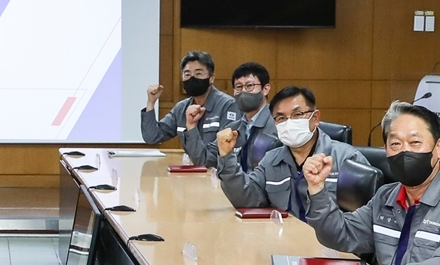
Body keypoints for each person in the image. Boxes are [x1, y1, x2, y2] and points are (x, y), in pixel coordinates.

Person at [303, 101, 440, 265]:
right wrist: (317, 189)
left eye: (415, 143)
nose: (404, 151)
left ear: (439, 147)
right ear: (386, 150)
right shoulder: (386, 196)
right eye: (395, 144)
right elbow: (340, 234)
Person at [215, 86, 366, 218]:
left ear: (315, 118)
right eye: (281, 118)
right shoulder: (271, 160)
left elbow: (363, 223)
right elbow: (246, 199)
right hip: (286, 242)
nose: (289, 122)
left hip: (331, 247)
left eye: (297, 115)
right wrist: (227, 157)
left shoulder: (348, 159)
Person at [140, 50, 239, 167]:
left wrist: (191, 127)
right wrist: (151, 102)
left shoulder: (228, 105)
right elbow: (152, 137)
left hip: (217, 177)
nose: (192, 78)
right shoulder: (182, 108)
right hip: (192, 175)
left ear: (211, 78)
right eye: (187, 74)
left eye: (198, 74)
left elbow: (207, 160)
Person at [230, 62, 276, 170]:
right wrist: (191, 126)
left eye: (249, 86)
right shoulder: (233, 128)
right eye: (238, 87)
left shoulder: (278, 124)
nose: (243, 91)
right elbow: (207, 158)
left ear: (265, 89)